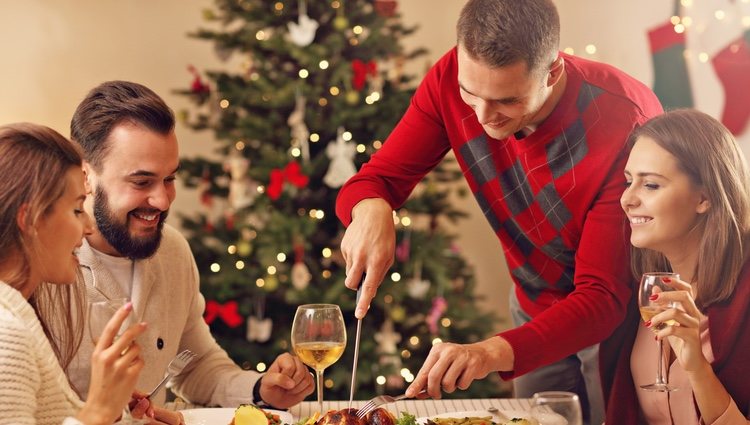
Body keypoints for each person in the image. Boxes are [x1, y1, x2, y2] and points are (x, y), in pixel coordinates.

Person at [335, 0, 662, 422]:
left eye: (507, 100)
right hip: (532, 302)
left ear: (553, 72)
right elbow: (374, 179)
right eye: (470, 94)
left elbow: (602, 297)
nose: (483, 116)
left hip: (619, 319)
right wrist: (371, 208)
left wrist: (490, 352)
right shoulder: (450, 79)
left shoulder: (624, 124)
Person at [65, 80, 314, 408]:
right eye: (141, 181)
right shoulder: (45, 266)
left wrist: (261, 389)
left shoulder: (171, 250)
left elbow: (196, 364)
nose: (163, 201)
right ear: (85, 176)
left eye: (169, 179)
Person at [606, 109, 750, 423]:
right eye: (629, 182)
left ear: (705, 197)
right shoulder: (642, 288)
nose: (627, 199)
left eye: (651, 185)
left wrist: (697, 368)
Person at [0, 123, 146, 424]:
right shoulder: (7, 336)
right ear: (30, 219)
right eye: (78, 209)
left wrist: (114, 412)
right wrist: (98, 410)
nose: (89, 227)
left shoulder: (18, 315)